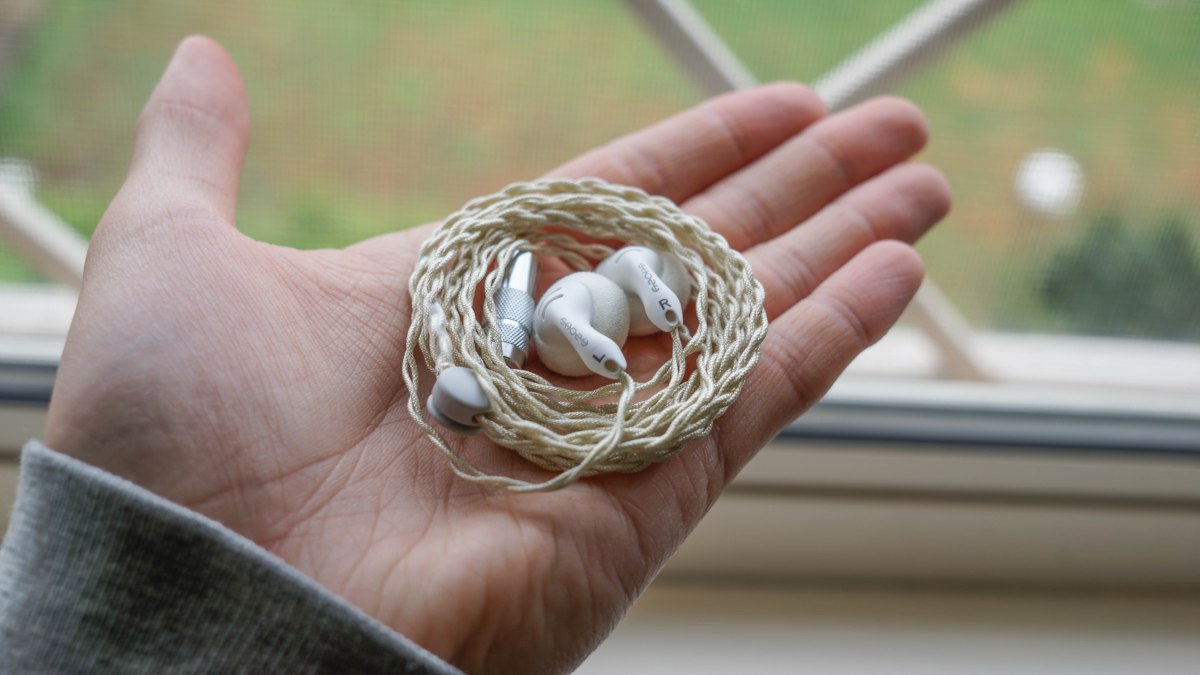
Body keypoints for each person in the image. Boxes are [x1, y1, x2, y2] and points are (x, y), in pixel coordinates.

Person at [0, 36, 949, 674]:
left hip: (572, 331)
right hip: (557, 330)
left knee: (607, 337)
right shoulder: (574, 296)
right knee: (580, 339)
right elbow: (599, 311)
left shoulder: (624, 292)